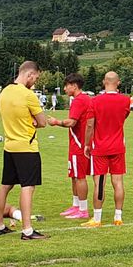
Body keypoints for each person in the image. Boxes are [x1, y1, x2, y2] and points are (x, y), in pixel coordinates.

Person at [0, 61, 48, 240]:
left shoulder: (5, 91)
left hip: (9, 145)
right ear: (29, 75)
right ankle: (27, 230)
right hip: (26, 146)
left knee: (5, 185)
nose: (36, 81)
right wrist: (33, 121)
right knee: (28, 186)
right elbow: (42, 122)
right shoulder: (28, 95)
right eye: (36, 78)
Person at [82, 72, 132, 227]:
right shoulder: (125, 100)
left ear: (104, 82)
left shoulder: (95, 101)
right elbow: (123, 117)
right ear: (119, 83)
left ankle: (97, 219)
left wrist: (87, 144)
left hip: (101, 148)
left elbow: (90, 124)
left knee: (100, 183)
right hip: (118, 147)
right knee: (118, 182)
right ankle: (118, 216)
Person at [47, 73, 90, 220]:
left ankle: (83, 210)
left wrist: (56, 122)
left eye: (66, 85)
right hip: (75, 143)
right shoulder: (81, 99)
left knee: (80, 177)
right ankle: (76, 205)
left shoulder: (79, 100)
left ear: (74, 86)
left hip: (79, 145)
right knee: (74, 175)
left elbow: (72, 122)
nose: (64, 88)